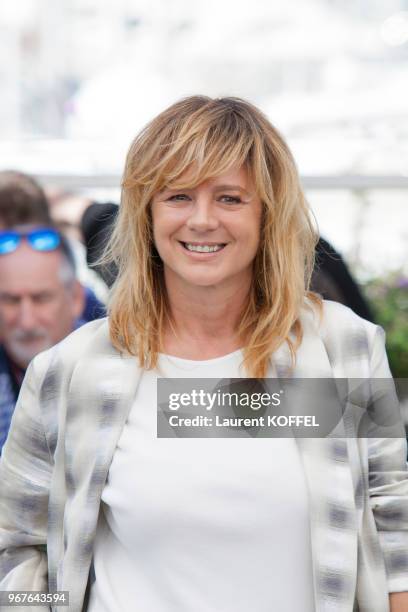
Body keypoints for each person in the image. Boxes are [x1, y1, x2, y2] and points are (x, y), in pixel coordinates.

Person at [0, 96, 407, 612]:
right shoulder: (70, 369)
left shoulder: (343, 349)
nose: (202, 220)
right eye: (178, 196)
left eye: (231, 198)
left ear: (268, 213)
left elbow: (396, 528)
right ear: (145, 213)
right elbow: (14, 548)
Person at [0, 225, 85, 454]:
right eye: (10, 300)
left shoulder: (122, 363)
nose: (26, 322)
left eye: (41, 299)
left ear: (76, 298)